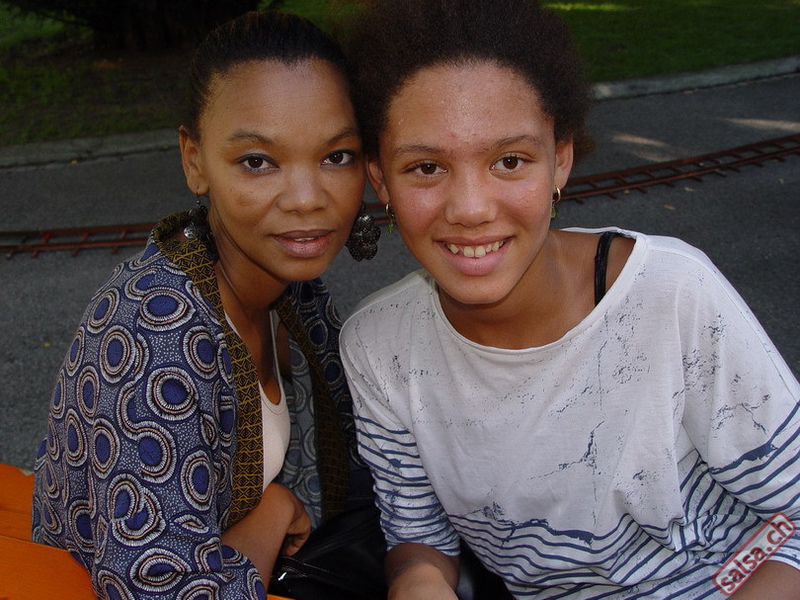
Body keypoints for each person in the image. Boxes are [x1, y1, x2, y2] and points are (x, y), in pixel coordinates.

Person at [339, 1, 800, 598]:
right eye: (426, 167)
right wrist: (418, 583)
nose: (471, 208)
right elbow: (419, 536)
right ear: (380, 179)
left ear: (560, 159)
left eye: (510, 161)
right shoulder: (378, 346)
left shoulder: (671, 294)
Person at [32, 9, 379, 599]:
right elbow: (160, 588)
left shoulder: (292, 291)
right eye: (257, 161)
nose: (306, 199)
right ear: (194, 160)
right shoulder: (156, 333)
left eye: (336, 156)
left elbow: (354, 467)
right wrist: (273, 511)